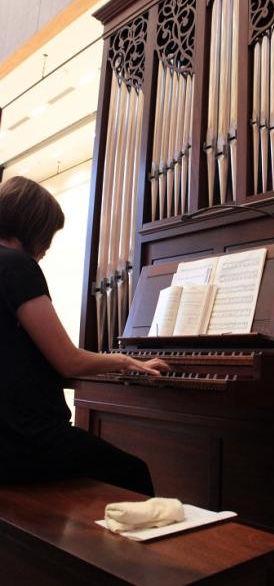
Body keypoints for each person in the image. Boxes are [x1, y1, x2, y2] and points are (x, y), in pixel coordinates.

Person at [0, 175, 169, 495]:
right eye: (48, 236)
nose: (46, 248)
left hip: (7, 439)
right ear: (32, 225)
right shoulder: (17, 266)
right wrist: (125, 360)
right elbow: (68, 362)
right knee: (134, 472)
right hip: (22, 442)